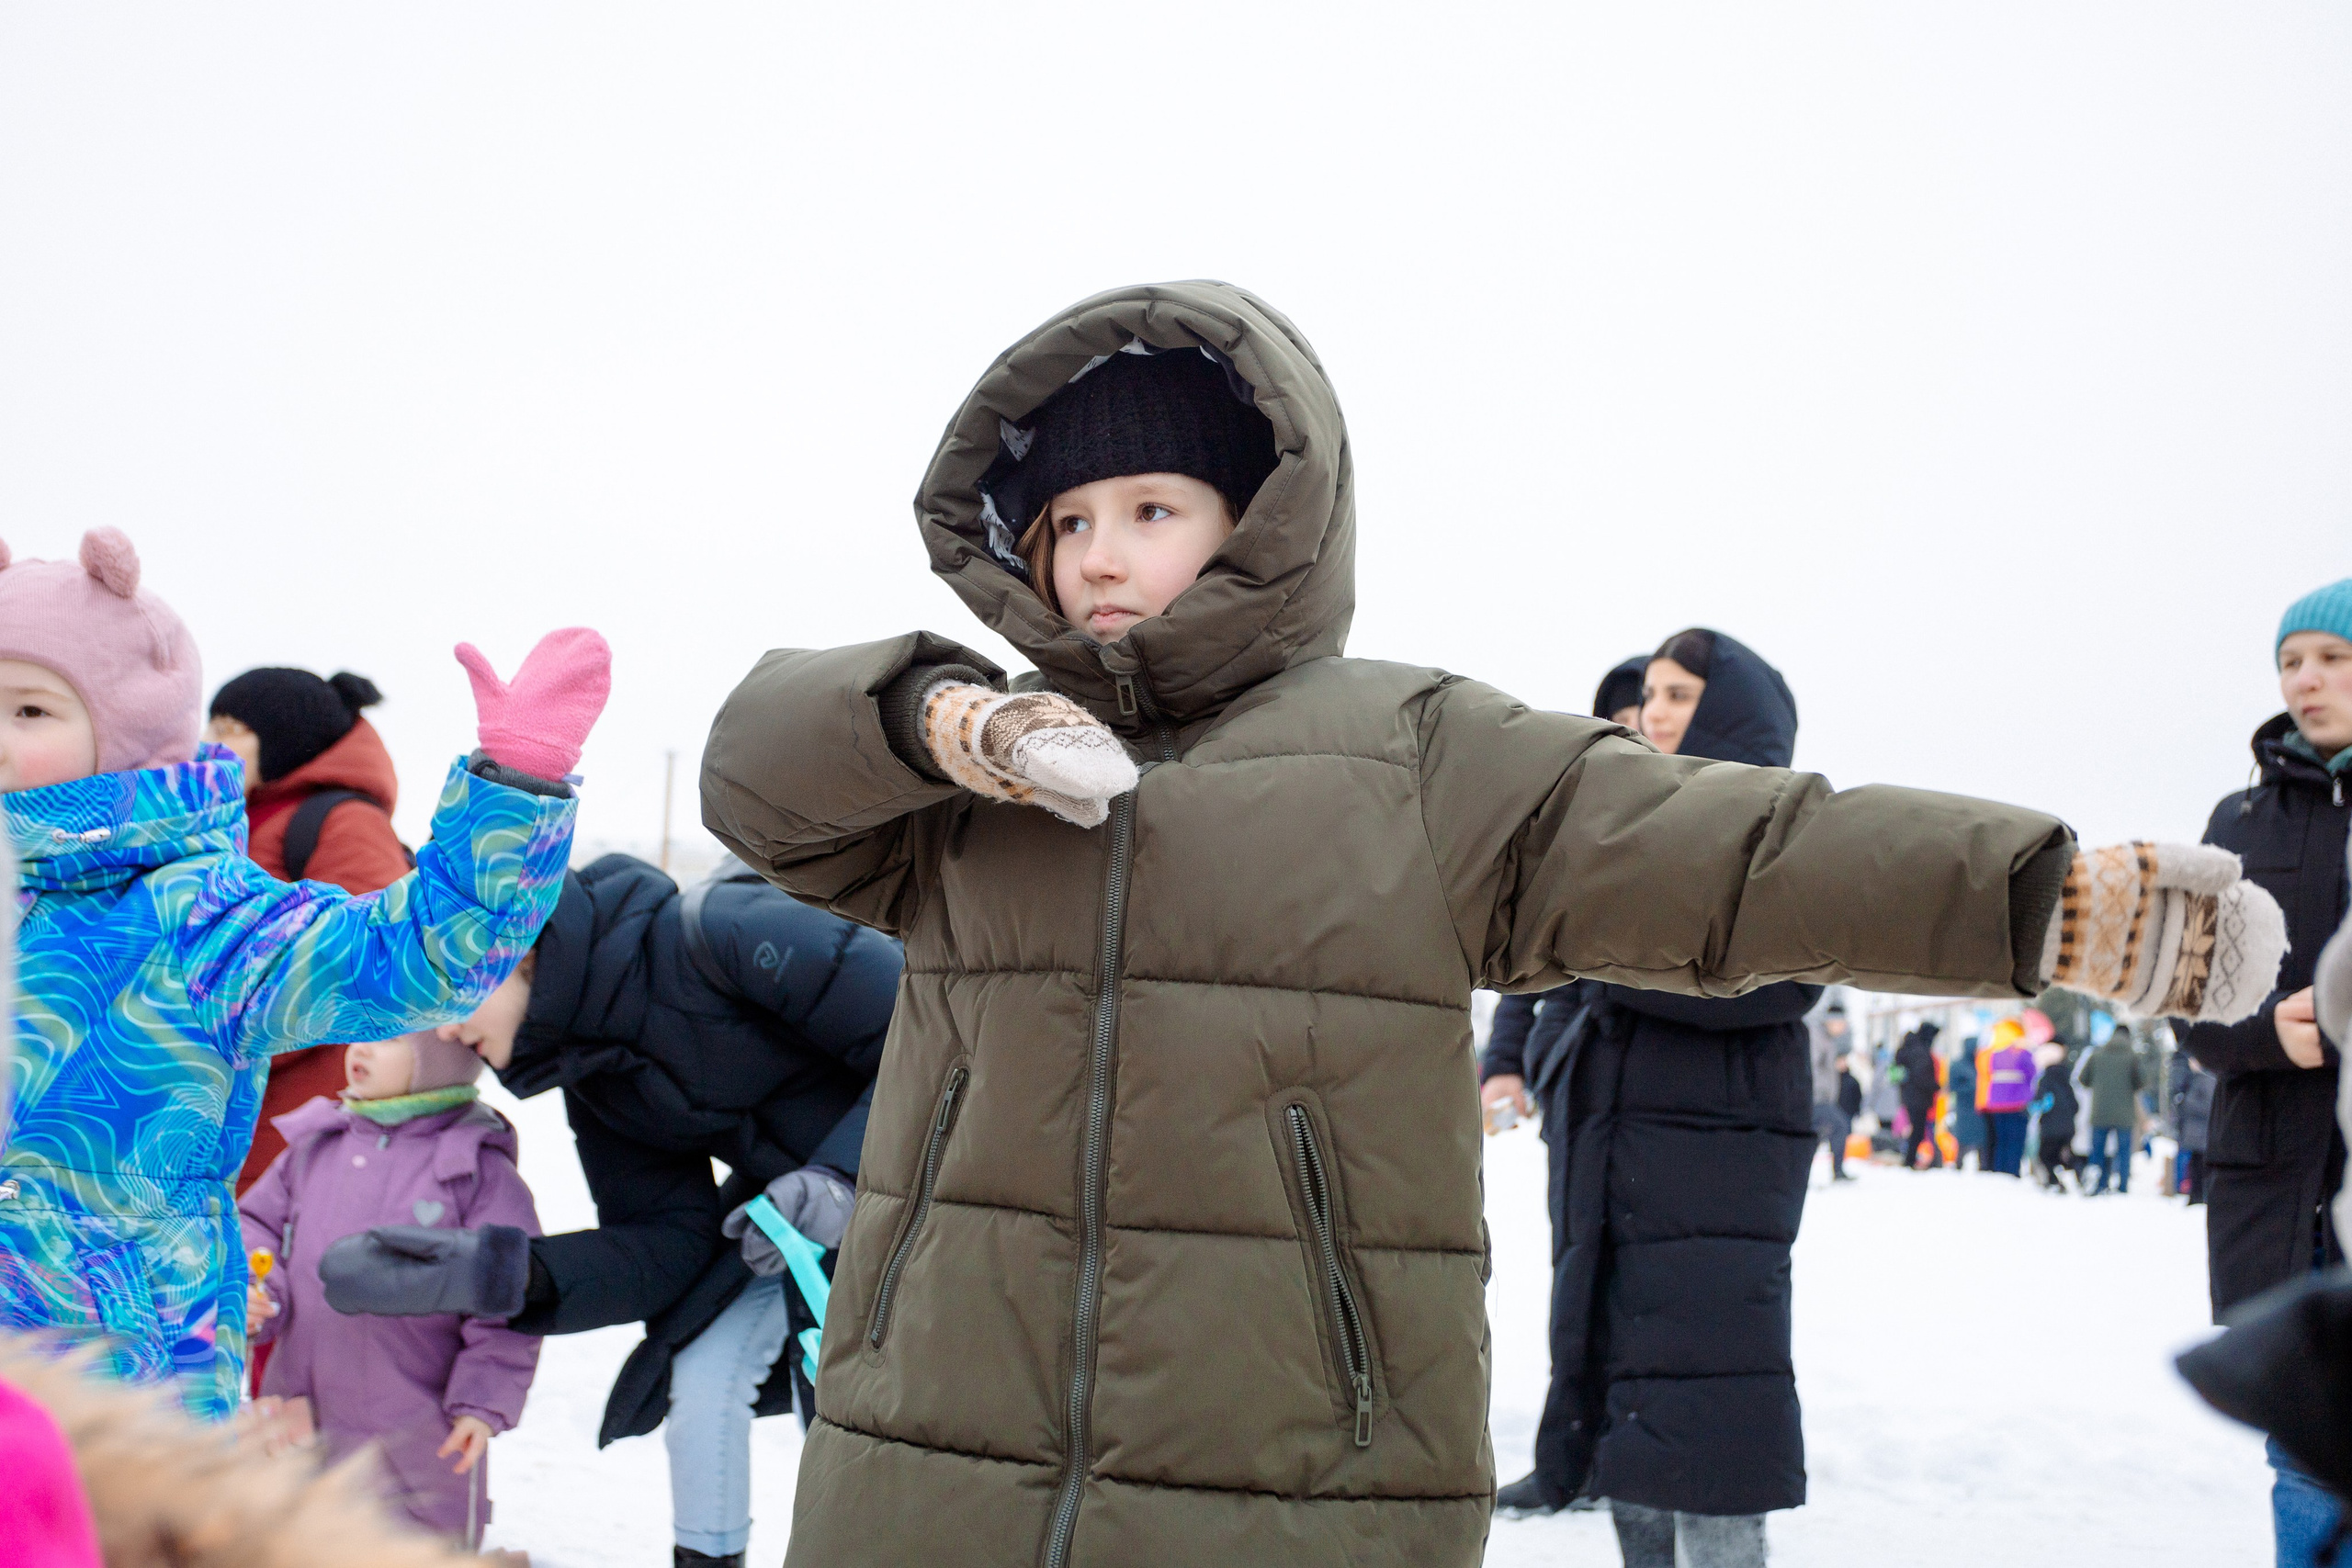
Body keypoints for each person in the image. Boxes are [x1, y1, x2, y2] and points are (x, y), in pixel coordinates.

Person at [690, 282, 2278, 1568]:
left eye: (1153, 505)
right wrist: (943, 717)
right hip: (927, 1473)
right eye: (1068, 518)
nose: (1101, 552)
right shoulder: (965, 790)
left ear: (1259, 523)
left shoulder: (1410, 752)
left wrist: (2041, 896)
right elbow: (756, 769)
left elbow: (1731, 849)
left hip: (1294, 1486)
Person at [0, 528, 605, 1420]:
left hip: (118, 1386)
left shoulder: (196, 915)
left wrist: (512, 790)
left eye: (31, 711)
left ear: (125, 730)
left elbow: (413, 957)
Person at [327, 852, 899, 1568]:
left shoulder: (716, 935)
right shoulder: (595, 1071)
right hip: (793, 1224)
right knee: (703, 1373)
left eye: (452, 992)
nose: (441, 1029)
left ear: (519, 945)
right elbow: (667, 1244)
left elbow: (927, 1035)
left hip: (943, 1184)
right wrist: (499, 1273)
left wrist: (841, 1177)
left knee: (869, 1423)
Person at [2183, 579, 2352, 1567]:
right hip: (2280, 1176)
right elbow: (2184, 998)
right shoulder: (2235, 818)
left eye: (2331, 658)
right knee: (2305, 1448)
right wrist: (2259, 1034)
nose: (2305, 678)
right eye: (2291, 661)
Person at [239, 1031, 539, 1547]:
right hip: (301, 1412)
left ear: (440, 1058)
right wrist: (261, 1286)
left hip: (418, 1430)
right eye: (358, 1035)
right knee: (290, 1541)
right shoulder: (317, 1143)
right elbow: (257, 1222)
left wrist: (482, 1401)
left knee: (410, 1544)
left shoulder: (475, 1169)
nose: (362, 1049)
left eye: (388, 1038)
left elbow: (513, 1298)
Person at [1480, 656, 1644, 1519]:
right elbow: (1526, 968)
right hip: (1578, 1097)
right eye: (1620, 717)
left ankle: (1619, 1457)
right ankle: (1568, 1455)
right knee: (1574, 1281)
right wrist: (1507, 1062)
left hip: (1644, 1095)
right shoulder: (1576, 824)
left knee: (1634, 1292)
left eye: (1649, 712)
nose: (1636, 729)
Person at [206, 666, 415, 1191]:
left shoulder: (343, 821)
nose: (208, 742)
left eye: (229, 727)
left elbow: (360, 965)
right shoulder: (245, 819)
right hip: (234, 1107)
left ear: (281, 738)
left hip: (295, 1121)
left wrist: (228, 1039)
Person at [2078, 1021, 2150, 1195]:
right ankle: (2122, 1186)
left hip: (2099, 1112)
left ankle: (2097, 1184)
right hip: (2124, 1113)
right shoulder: (2132, 1056)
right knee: (2124, 1152)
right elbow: (2141, 1082)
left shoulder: (2097, 1054)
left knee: (2097, 1151)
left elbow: (2083, 1079)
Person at [1978, 1019, 2040, 1177]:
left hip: (1995, 1103)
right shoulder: (2022, 1053)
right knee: (2016, 1141)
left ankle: (2000, 1172)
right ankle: (2012, 1172)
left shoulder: (1994, 1054)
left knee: (2001, 1141)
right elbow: (2033, 1074)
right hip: (2017, 1103)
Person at [1810, 1001, 1856, 1182]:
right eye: (1842, 1023)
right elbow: (1811, 1067)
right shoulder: (1818, 1038)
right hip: (1817, 1098)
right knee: (1841, 1126)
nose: (1844, 1027)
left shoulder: (1828, 1040)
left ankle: (1799, 1173)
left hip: (1822, 1098)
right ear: (1832, 1022)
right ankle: (1838, 1171)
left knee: (1814, 1136)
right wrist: (1820, 1092)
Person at [2030, 1044, 2082, 1191]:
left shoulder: (2045, 1080)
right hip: (2068, 1127)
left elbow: (2038, 1103)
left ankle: (2053, 1182)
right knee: (2064, 1154)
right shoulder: (2067, 1080)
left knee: (2045, 1155)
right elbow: (2075, 1105)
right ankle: (2080, 1169)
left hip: (2050, 1127)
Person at [1894, 1021, 1943, 1169]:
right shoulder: (1920, 1051)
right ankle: (1910, 1160)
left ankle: (1910, 1159)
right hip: (1918, 1097)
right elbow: (1922, 1076)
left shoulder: (1909, 1048)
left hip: (1909, 1095)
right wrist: (1937, 1086)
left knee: (1915, 1129)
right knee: (1918, 1130)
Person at [2172, 1051, 2216, 1204]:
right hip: (2196, 1132)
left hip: (2201, 1132)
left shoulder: (2206, 1079)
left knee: (2199, 1166)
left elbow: (2208, 1106)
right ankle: (2195, 1195)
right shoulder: (2197, 1078)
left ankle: (2198, 1196)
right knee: (2195, 1165)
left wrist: (2186, 1103)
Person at [1948, 1037, 1984, 1170]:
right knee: (1963, 1139)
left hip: (1980, 1108)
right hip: (1964, 1107)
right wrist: (1971, 1088)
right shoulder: (1958, 1065)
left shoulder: (1981, 1064)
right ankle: (1958, 1164)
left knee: (1983, 1140)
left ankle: (1983, 1167)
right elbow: (1952, 1086)